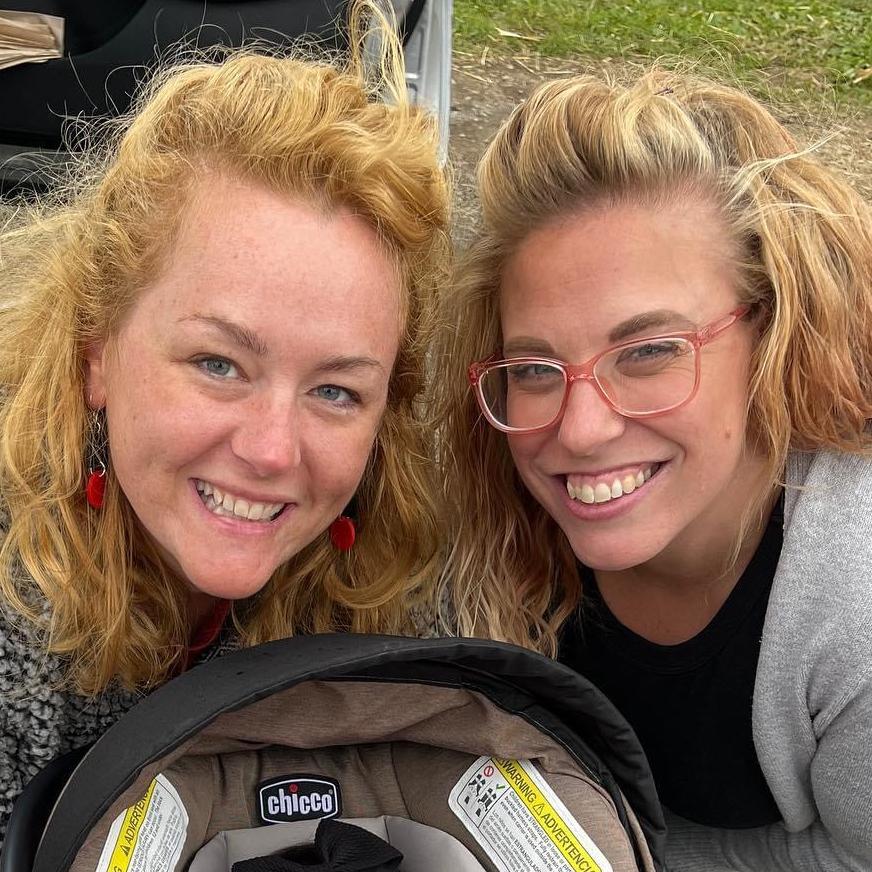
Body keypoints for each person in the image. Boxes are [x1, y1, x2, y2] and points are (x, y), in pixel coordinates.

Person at [0, 1, 449, 839]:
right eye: (219, 365)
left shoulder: (403, 569)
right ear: (96, 353)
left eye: (336, 392)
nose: (272, 451)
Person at [434, 69, 872, 871]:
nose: (580, 430)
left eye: (648, 352)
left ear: (777, 330)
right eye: (533, 368)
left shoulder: (856, 605)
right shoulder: (488, 499)